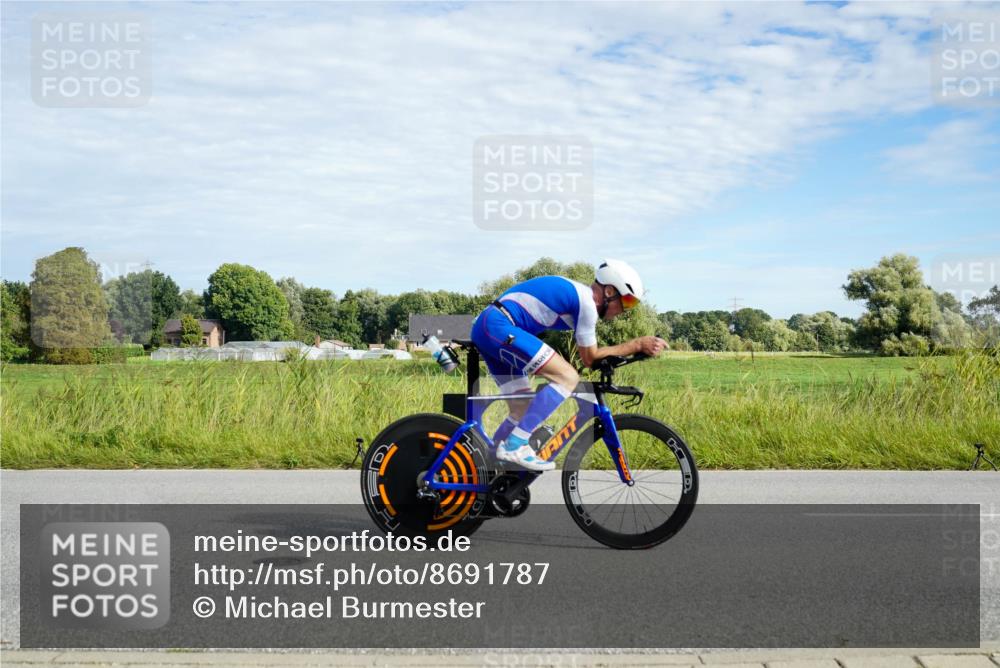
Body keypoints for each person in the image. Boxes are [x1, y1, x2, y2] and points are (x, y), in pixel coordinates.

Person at [469, 259, 668, 471]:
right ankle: (515, 446)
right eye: (627, 301)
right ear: (609, 291)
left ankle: (490, 467)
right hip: (498, 326)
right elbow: (590, 358)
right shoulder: (587, 303)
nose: (626, 310)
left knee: (522, 408)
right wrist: (637, 344)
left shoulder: (581, 299)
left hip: (491, 327)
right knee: (567, 377)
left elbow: (593, 355)